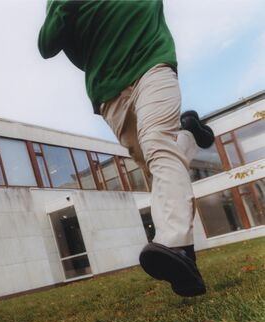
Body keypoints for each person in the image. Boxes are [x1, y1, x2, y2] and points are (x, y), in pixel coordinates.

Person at [38, 1, 215, 297]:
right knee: (157, 166)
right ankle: (189, 138)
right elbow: (46, 45)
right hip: (110, 93)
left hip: (152, 63)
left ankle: (178, 248)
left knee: (157, 143)